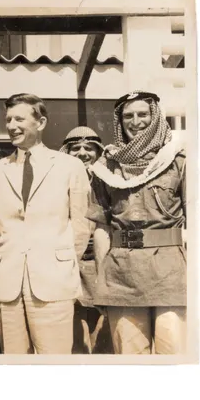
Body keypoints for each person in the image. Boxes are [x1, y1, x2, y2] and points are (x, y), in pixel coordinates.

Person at [0, 93, 91, 354]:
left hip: (53, 281)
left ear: (40, 123)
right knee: (14, 361)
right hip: (8, 283)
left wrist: (59, 262)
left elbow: (81, 225)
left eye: (19, 118)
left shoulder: (70, 166)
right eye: (8, 119)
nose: (11, 125)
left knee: (55, 361)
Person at [87, 91, 187, 354]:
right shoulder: (106, 168)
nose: (135, 121)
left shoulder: (178, 162)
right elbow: (101, 228)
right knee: (131, 362)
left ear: (155, 117)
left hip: (171, 274)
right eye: (128, 116)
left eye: (143, 114)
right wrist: (101, 278)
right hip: (122, 275)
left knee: (173, 355)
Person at [59, 126, 113, 354]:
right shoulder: (56, 181)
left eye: (89, 148)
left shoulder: (109, 182)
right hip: (67, 264)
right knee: (72, 337)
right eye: (75, 148)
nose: (82, 153)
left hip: (100, 264)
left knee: (103, 334)